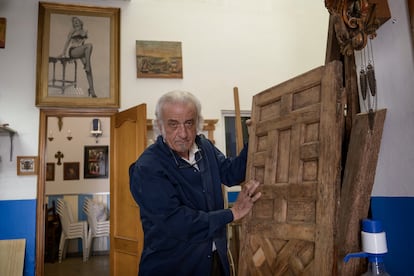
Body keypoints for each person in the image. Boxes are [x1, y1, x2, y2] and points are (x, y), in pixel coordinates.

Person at [129, 90, 261, 276]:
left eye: (189, 123)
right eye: (173, 124)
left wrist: (253, 139)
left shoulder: (204, 147)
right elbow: (178, 223)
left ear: (197, 123)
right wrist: (233, 213)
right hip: (173, 268)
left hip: (214, 262)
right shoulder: (147, 167)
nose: (183, 133)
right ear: (160, 125)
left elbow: (231, 173)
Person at [60, 16, 96, 97]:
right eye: (74, 21)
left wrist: (82, 56)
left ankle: (92, 90)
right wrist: (64, 54)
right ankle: (87, 66)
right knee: (89, 45)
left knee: (89, 70)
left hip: (81, 51)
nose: (75, 22)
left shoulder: (85, 31)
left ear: (80, 22)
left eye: (77, 20)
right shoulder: (72, 31)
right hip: (73, 51)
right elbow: (67, 42)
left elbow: (82, 44)